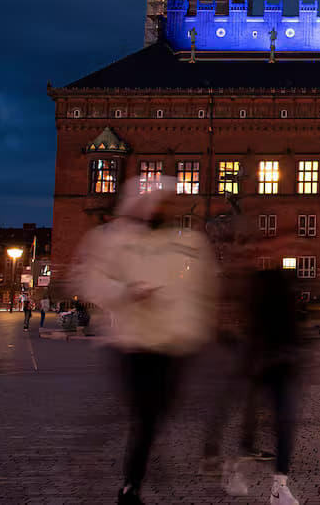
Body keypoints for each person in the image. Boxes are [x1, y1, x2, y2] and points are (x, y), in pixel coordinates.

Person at [77, 176, 216, 505]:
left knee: (157, 412)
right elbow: (90, 280)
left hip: (173, 345)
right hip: (134, 342)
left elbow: (202, 287)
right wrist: (126, 292)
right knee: (146, 413)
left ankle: (138, 466)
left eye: (172, 202)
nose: (169, 208)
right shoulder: (114, 239)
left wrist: (198, 327)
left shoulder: (188, 242)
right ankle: (131, 485)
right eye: (163, 202)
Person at [222, 238, 305, 505]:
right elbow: (248, 322)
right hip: (258, 363)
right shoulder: (256, 281)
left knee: (285, 424)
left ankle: (279, 487)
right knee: (253, 426)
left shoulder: (288, 280)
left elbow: (295, 322)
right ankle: (236, 470)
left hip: (283, 363)